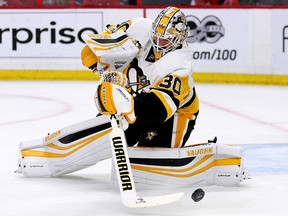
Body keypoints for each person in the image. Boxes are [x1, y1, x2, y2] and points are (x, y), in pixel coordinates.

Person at [17, 6, 199, 176]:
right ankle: (57, 158)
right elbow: (109, 36)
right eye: (156, 36)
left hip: (173, 115)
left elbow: (158, 109)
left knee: (146, 168)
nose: (158, 42)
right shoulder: (139, 27)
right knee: (102, 137)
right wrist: (102, 58)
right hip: (134, 99)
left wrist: (127, 105)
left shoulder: (180, 65)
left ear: (178, 40)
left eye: (165, 40)